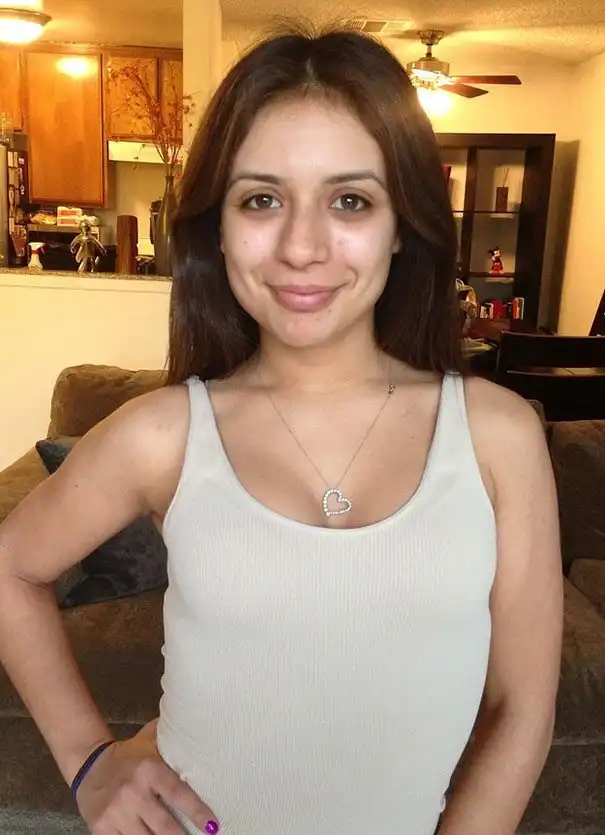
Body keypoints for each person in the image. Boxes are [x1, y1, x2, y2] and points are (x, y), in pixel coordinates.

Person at [0, 20, 563, 835]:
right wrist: (89, 760)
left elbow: (522, 708)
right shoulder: (162, 433)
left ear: (401, 224)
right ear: (218, 226)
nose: (302, 246)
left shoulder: (497, 435)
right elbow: (11, 566)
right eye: (261, 199)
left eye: (349, 200)